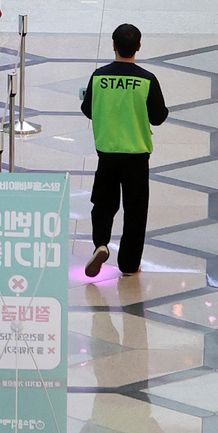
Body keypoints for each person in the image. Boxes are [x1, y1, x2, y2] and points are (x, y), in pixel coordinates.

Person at [80, 22, 169, 279]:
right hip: (136, 155)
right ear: (138, 47)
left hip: (107, 153)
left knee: (103, 203)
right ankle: (129, 263)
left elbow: (87, 110)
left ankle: (101, 245)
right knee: (135, 209)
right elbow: (158, 117)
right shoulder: (146, 80)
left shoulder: (98, 77)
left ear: (113, 45)